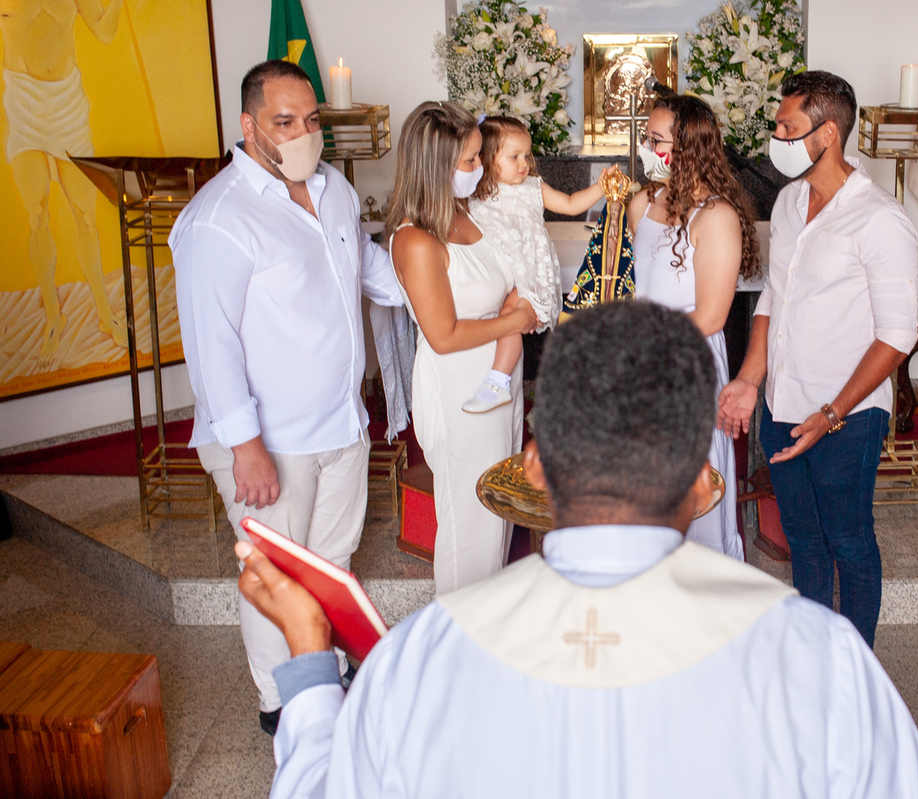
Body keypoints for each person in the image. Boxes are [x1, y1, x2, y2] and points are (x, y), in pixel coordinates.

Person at [237, 301, 918, 799]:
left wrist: (312, 661)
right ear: (702, 478)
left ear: (534, 463)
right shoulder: (809, 652)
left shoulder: (425, 654)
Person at [169, 60, 408, 736]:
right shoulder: (216, 219)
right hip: (265, 441)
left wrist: (433, 287)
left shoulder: (330, 188)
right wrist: (246, 446)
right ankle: (283, 704)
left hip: (340, 420)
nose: (303, 133)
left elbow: (368, 269)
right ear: (247, 126)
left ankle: (322, 672)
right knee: (272, 572)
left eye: (311, 120)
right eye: (283, 122)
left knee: (331, 562)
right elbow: (210, 346)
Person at [718, 70, 918, 648]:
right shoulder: (787, 201)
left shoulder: (880, 218)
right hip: (785, 401)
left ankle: (855, 670)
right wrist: (750, 379)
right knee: (802, 539)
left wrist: (832, 413)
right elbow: (774, 299)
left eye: (788, 126)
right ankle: (813, 657)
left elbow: (897, 336)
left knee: (848, 540)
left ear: (827, 133)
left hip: (846, 415)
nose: (776, 137)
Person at [386, 102, 538, 594]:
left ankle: (488, 629)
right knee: (469, 525)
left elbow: (503, 276)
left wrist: (517, 298)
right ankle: (459, 640)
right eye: (470, 161)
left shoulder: (467, 213)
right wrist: (514, 318)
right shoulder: (415, 239)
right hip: (459, 390)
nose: (479, 169)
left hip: (499, 378)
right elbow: (444, 335)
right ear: (436, 167)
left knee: (498, 515)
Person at [628, 94, 760, 561]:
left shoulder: (717, 217)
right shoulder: (642, 202)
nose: (645, 148)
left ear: (688, 148)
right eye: (646, 137)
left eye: (656, 140)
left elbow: (711, 316)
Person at [3, 0, 128, 369]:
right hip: (23, 104)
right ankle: (54, 319)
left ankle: (105, 314)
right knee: (37, 214)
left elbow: (105, 33)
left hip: (66, 106)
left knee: (85, 217)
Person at [464, 115, 617, 413]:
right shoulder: (475, 193)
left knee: (510, 314)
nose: (524, 164)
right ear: (486, 159)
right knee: (492, 319)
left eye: (526, 155)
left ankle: (497, 381)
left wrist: (600, 187)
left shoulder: (533, 187)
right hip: (496, 273)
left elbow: (572, 204)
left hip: (528, 275)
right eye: (514, 157)